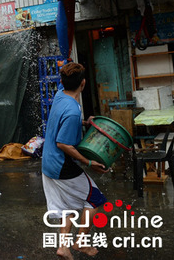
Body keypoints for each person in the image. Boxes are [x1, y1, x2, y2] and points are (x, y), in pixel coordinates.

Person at [41, 62, 108, 260]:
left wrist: (85, 122)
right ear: (84, 83)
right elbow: (64, 143)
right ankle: (80, 242)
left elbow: (64, 122)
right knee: (95, 199)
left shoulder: (60, 95)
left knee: (65, 206)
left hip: (48, 163)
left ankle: (63, 247)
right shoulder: (72, 111)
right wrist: (89, 163)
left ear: (61, 82)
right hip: (62, 165)